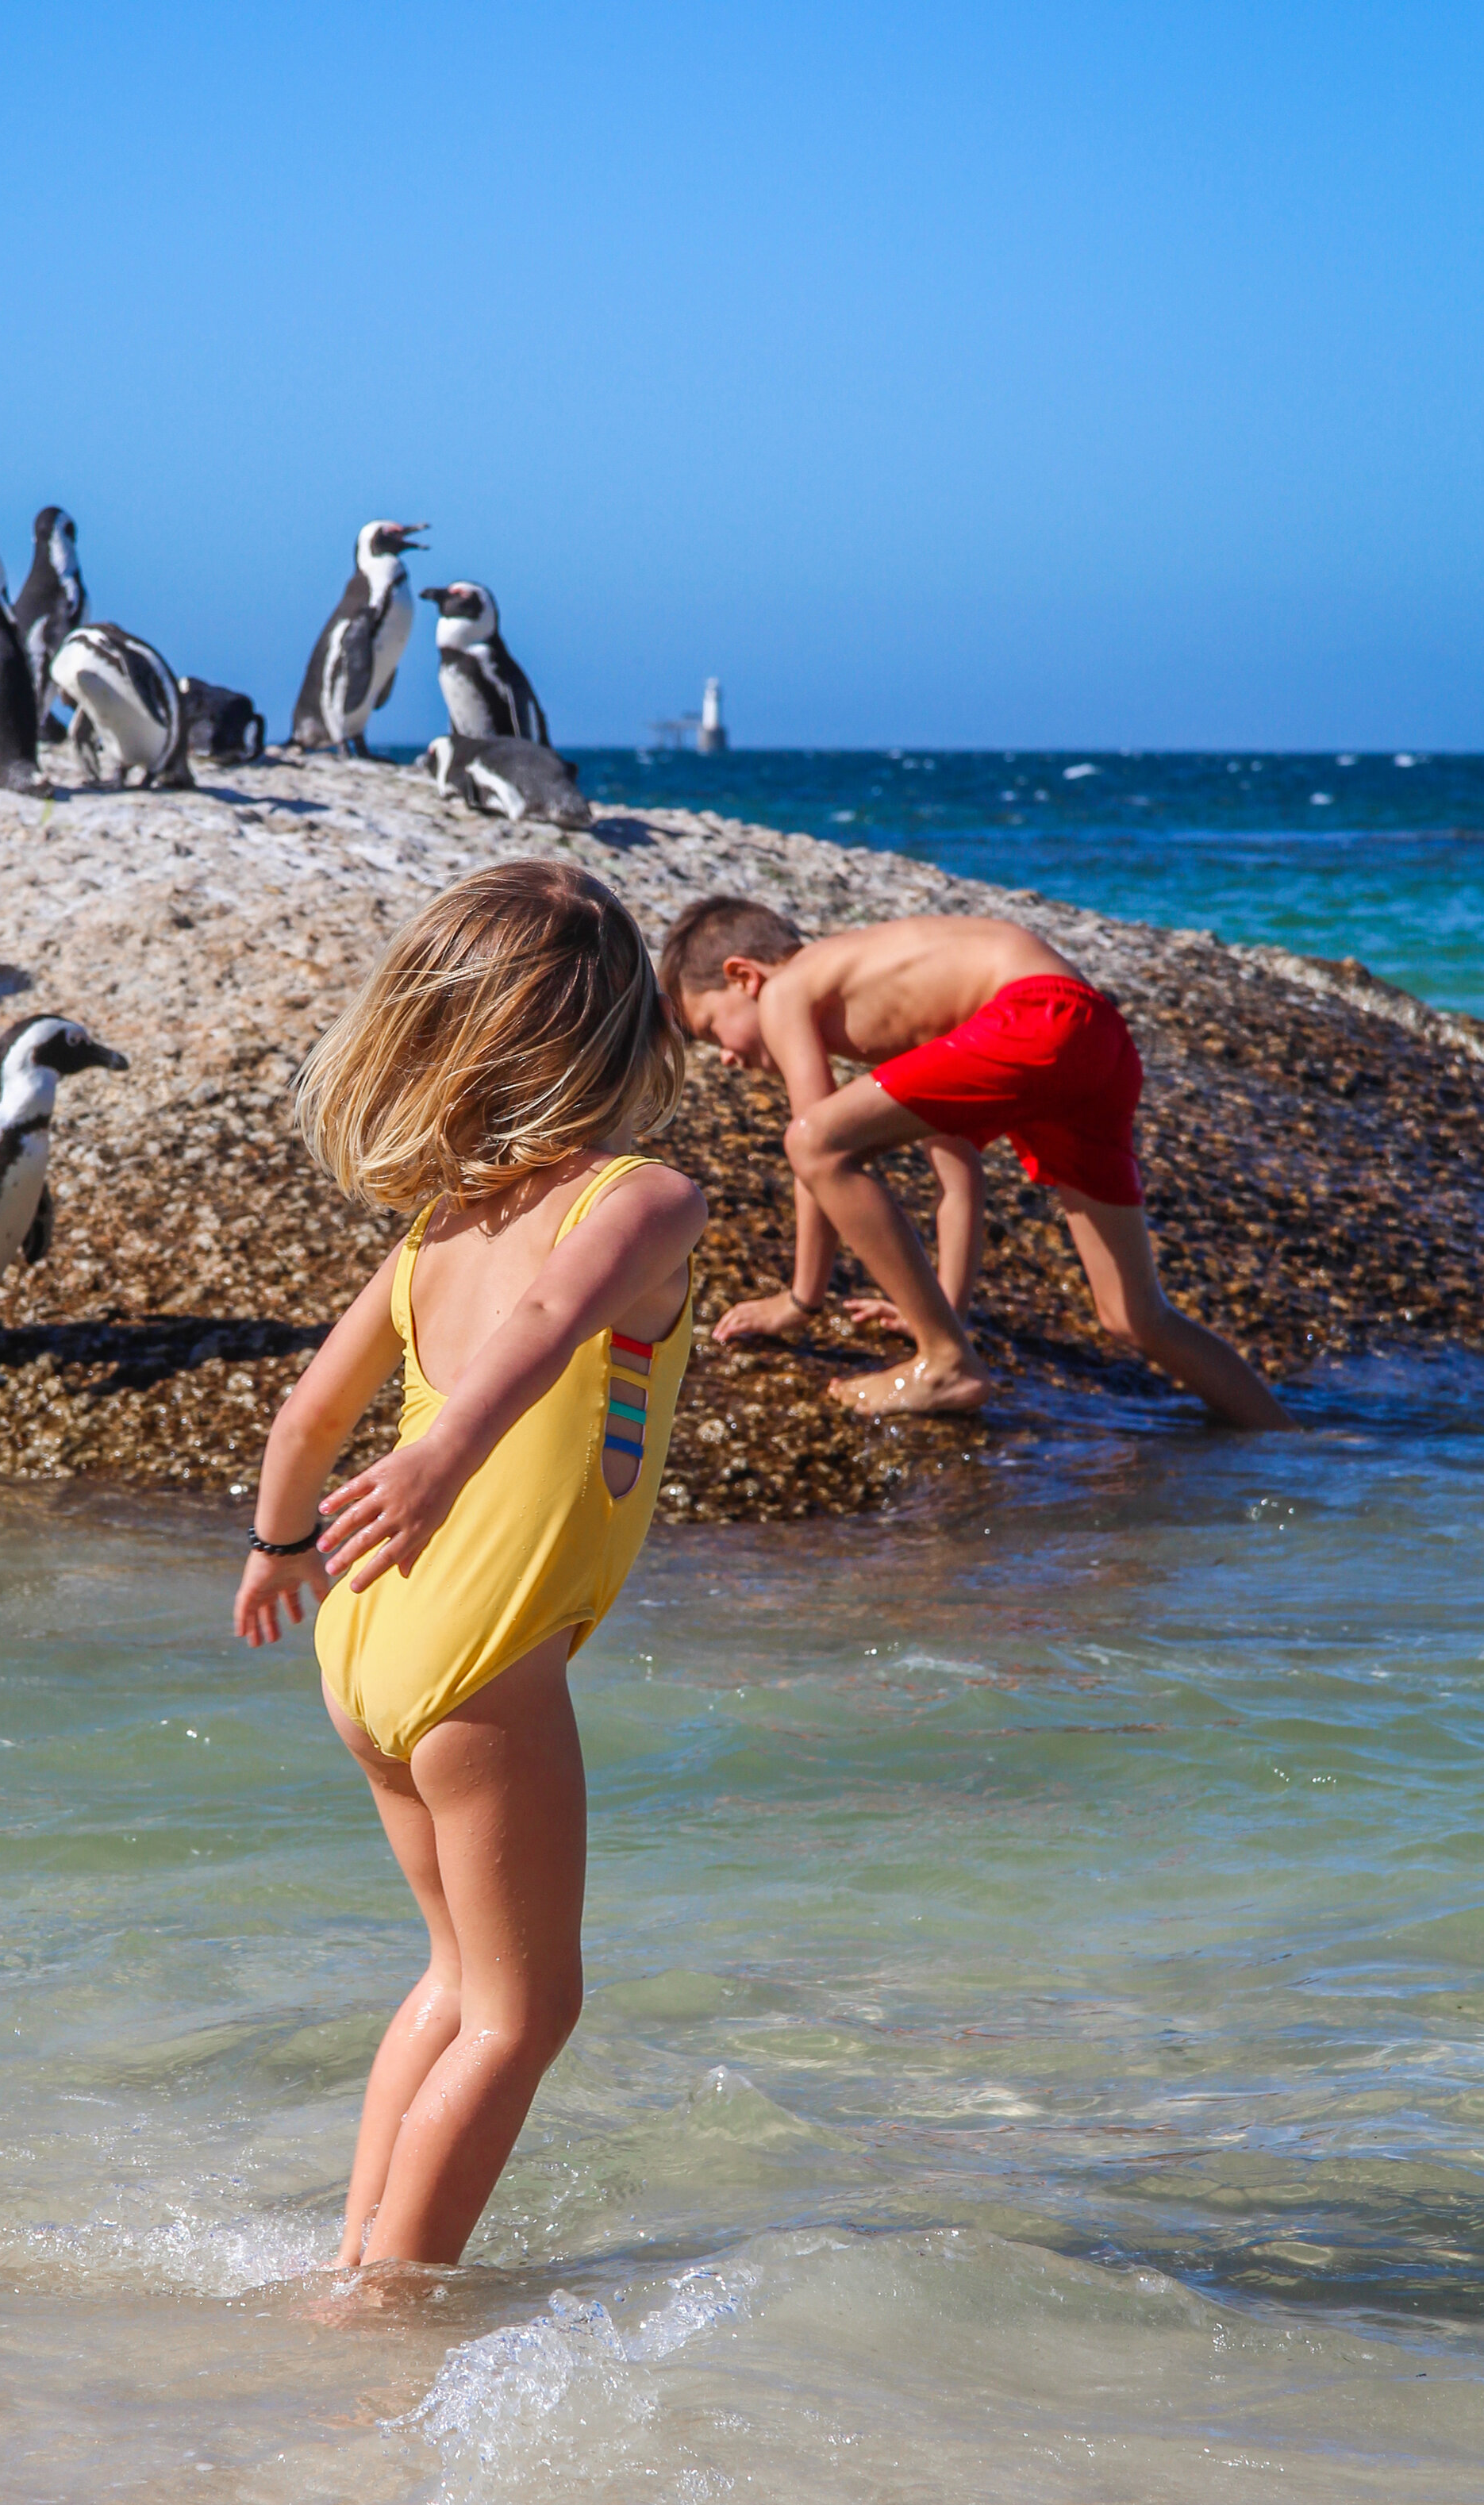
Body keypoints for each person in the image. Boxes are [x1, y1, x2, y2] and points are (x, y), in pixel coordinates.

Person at [233, 861, 707, 2268]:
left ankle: (354, 2251)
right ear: (630, 1032)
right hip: (481, 1650)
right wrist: (440, 1464)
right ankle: (388, 2295)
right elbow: (558, 1318)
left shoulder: (434, 1231)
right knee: (526, 2010)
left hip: (367, 1636)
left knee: (453, 1975)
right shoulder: (650, 1198)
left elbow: (307, 1414)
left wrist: (274, 1543)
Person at [659, 894, 1289, 1427]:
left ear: (744, 976)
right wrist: (942, 1310)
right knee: (1132, 1314)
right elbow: (958, 1182)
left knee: (816, 1141)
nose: (729, 1058)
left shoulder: (787, 988)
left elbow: (811, 1141)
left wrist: (801, 1300)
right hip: (1093, 1039)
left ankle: (946, 1363)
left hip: (1038, 1015)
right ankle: (1281, 1434)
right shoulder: (912, 1007)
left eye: (714, 1031)